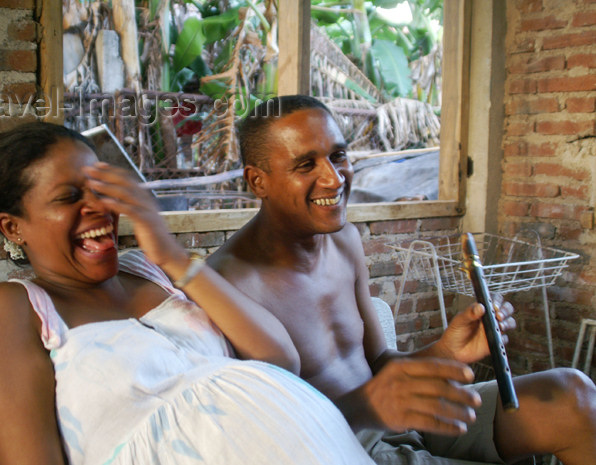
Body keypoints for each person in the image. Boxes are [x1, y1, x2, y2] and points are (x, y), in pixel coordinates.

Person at [208, 95, 596, 465]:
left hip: (405, 419)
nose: (333, 178)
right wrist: (372, 407)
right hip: (345, 447)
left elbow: (380, 362)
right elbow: (267, 439)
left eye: (338, 156)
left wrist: (446, 351)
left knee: (573, 395)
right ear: (258, 182)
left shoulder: (344, 241)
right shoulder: (224, 283)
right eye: (306, 165)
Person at [0, 121, 377, 465]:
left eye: (101, 189)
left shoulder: (154, 271)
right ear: (13, 227)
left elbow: (279, 359)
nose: (98, 207)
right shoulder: (14, 309)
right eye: (69, 197)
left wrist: (172, 255)